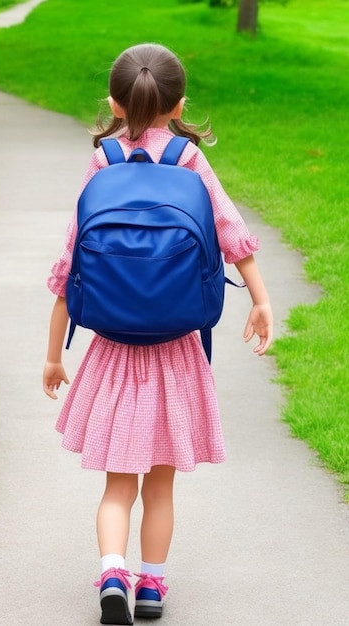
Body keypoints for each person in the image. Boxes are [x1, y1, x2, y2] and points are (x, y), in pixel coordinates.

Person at [43, 43, 273, 625]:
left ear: (115, 104)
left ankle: (112, 570)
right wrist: (262, 300)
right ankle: (151, 587)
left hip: (114, 349)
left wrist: (53, 356)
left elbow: (72, 265)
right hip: (175, 351)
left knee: (117, 487)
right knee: (161, 489)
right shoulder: (188, 160)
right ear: (179, 106)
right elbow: (230, 230)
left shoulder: (103, 164)